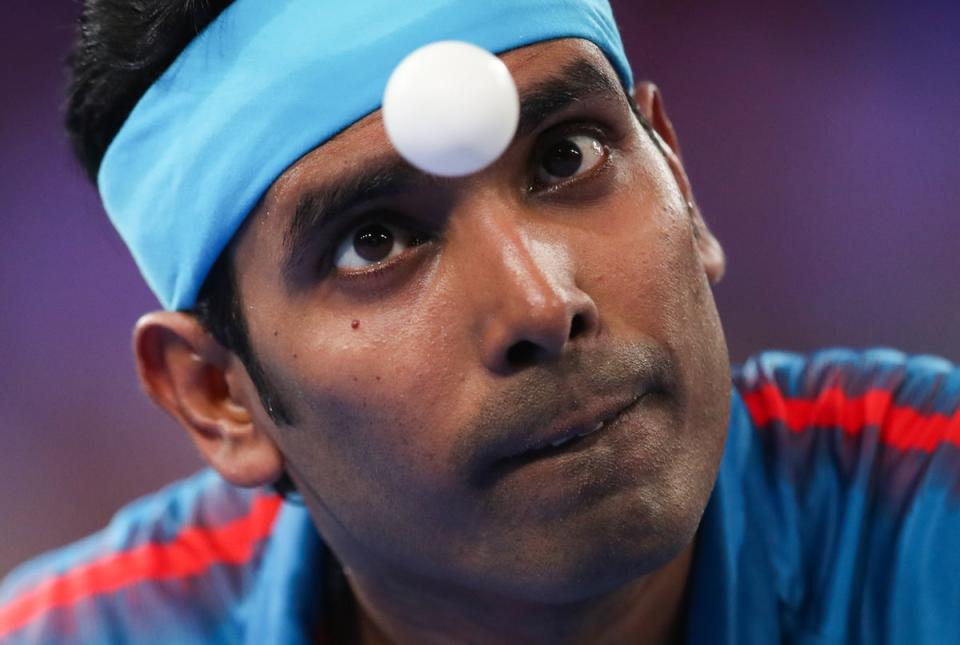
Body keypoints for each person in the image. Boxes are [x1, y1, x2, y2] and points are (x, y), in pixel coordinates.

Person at [1, 0, 957, 643]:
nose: (542, 304)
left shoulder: (931, 512)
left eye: (567, 155)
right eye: (371, 242)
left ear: (679, 177)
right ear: (219, 396)